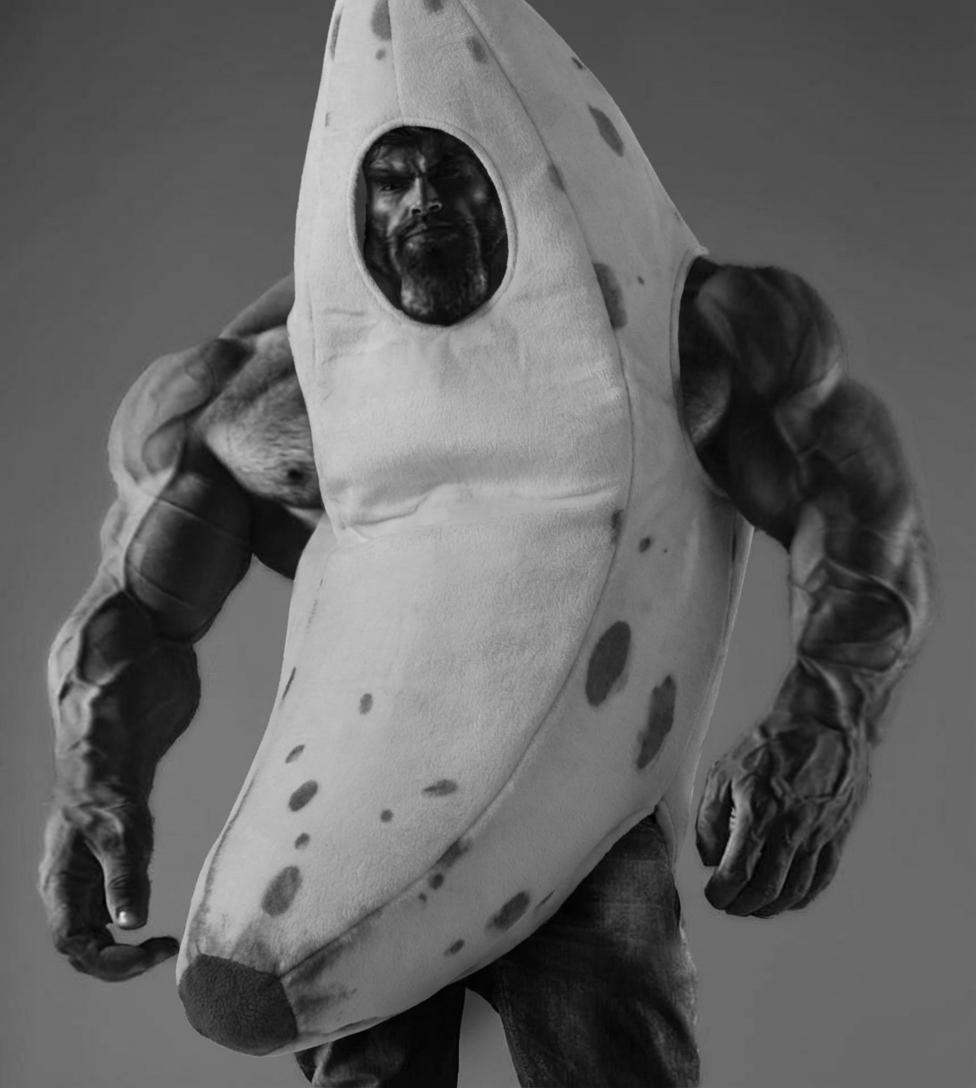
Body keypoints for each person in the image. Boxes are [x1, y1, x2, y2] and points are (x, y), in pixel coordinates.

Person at [38, 117, 933, 1085]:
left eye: (453, 173)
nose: (423, 200)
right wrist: (96, 775)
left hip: (582, 799)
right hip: (354, 806)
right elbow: (137, 599)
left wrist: (824, 727)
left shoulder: (679, 322)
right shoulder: (261, 377)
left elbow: (858, 511)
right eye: (393, 176)